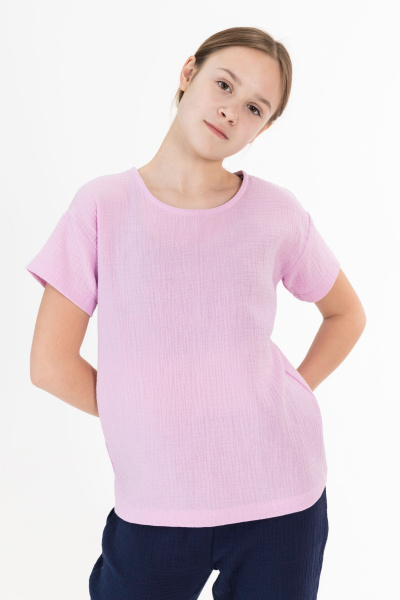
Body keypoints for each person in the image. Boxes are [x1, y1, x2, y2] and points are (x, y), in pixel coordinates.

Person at [26, 26, 366, 600]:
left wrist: (289, 391)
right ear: (189, 74)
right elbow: (50, 365)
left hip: (282, 497)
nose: (232, 110)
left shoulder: (276, 213)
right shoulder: (103, 206)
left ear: (264, 128)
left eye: (255, 107)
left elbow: (346, 315)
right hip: (156, 502)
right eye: (224, 85)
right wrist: (153, 418)